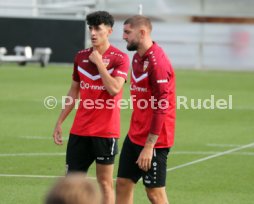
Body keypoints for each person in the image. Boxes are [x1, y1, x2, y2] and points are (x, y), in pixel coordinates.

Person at [52, 11, 129, 204]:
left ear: (109, 31)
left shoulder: (120, 58)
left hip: (105, 133)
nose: (93, 33)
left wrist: (99, 64)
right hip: (80, 131)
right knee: (72, 183)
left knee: (104, 183)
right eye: (91, 28)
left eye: (98, 29)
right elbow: (73, 92)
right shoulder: (80, 57)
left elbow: (114, 88)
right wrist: (60, 121)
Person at [116, 15, 176, 204]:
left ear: (142, 33)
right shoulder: (136, 58)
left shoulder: (158, 64)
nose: (124, 37)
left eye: (127, 32)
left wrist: (149, 146)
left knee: (154, 194)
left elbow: (161, 106)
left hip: (155, 141)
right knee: (123, 184)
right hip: (135, 135)